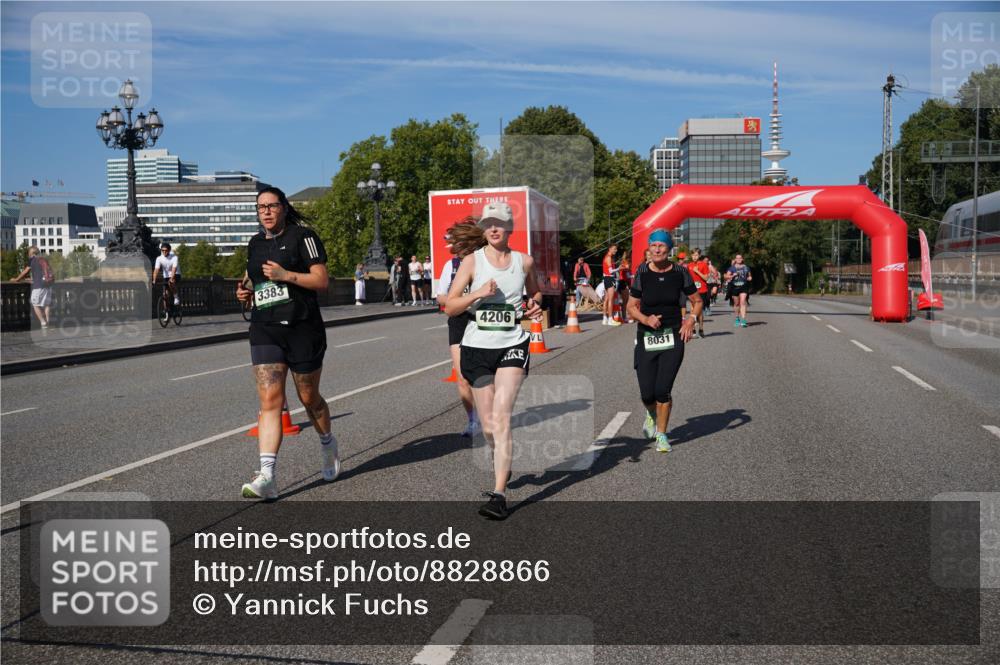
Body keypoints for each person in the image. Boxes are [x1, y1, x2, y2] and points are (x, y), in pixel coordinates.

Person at [235, 186, 338, 500]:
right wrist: (245, 293)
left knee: (309, 398)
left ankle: (328, 445)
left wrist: (286, 275)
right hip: (265, 328)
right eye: (260, 207)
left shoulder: (302, 237)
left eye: (272, 206)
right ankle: (266, 476)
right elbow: (253, 278)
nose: (266, 211)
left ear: (283, 208)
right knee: (270, 401)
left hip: (302, 327)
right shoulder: (255, 244)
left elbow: (321, 281)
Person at [445, 201, 542, 520]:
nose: (494, 228)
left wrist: (532, 306)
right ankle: (504, 460)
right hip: (477, 345)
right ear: (484, 228)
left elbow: (536, 294)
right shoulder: (472, 262)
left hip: (512, 343)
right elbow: (451, 307)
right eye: (489, 223)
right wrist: (477, 295)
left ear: (511, 227)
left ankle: (499, 494)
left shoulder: (524, 262)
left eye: (500, 222)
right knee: (488, 424)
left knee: (501, 416)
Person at [627, 229, 700, 453]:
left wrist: (690, 320)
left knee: (662, 390)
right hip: (647, 336)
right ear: (648, 248)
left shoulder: (681, 272)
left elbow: (696, 300)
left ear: (669, 249)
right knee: (647, 393)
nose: (657, 249)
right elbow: (630, 307)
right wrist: (645, 319)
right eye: (654, 245)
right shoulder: (642, 272)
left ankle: (661, 433)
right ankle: (651, 413)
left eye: (662, 246)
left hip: (673, 335)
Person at [438, 219, 484, 438]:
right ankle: (473, 419)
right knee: (463, 376)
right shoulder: (452, 265)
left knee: (483, 374)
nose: (454, 247)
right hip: (458, 319)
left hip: (483, 320)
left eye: (458, 242)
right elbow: (440, 296)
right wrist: (459, 299)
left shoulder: (486, 262)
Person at [12, 245, 53, 329]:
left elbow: (25, 271)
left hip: (38, 286)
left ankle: (43, 323)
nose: (28, 254)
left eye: (29, 253)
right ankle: (48, 322)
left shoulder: (32, 259)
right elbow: (42, 272)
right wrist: (32, 279)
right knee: (46, 304)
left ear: (33, 253)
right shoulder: (44, 259)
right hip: (48, 285)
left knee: (35, 304)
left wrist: (16, 279)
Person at [687, 248, 710, 337]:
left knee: (699, 311)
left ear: (699, 255)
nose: (694, 257)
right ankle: (693, 329)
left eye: (696, 255)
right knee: (693, 309)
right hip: (692, 290)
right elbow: (688, 279)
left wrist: (697, 271)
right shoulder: (689, 265)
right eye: (693, 255)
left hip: (702, 290)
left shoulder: (704, 265)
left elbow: (706, 278)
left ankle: (701, 328)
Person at [726, 254, 753, 327]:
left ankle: (743, 320)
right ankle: (737, 318)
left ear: (742, 259)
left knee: (743, 302)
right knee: (736, 304)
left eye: (740, 258)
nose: (738, 259)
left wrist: (749, 278)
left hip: (744, 286)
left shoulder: (746, 268)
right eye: (737, 258)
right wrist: (732, 275)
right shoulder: (732, 268)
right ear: (735, 259)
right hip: (734, 287)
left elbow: (749, 276)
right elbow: (726, 276)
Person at [152, 242, 181, 308]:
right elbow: (156, 270)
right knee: (165, 294)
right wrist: (154, 280)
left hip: (176, 274)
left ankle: (176, 296)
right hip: (166, 276)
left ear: (169, 250)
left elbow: (174, 269)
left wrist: (171, 278)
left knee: (171, 282)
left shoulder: (174, 257)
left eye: (166, 250)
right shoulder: (159, 258)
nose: (164, 252)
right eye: (162, 250)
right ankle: (167, 311)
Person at [602, 244, 620, 326]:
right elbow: (610, 271)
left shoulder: (607, 257)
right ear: (610, 249)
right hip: (609, 278)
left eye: (616, 249)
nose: (615, 250)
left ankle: (605, 318)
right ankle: (610, 319)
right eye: (614, 249)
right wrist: (619, 268)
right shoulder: (609, 257)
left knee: (606, 299)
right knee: (610, 299)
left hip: (606, 279)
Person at [617, 255, 632, 323]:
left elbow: (628, 276)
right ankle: (624, 317)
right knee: (625, 301)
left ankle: (624, 317)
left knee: (625, 301)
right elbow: (622, 269)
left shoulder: (627, 267)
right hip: (622, 283)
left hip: (625, 283)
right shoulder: (624, 264)